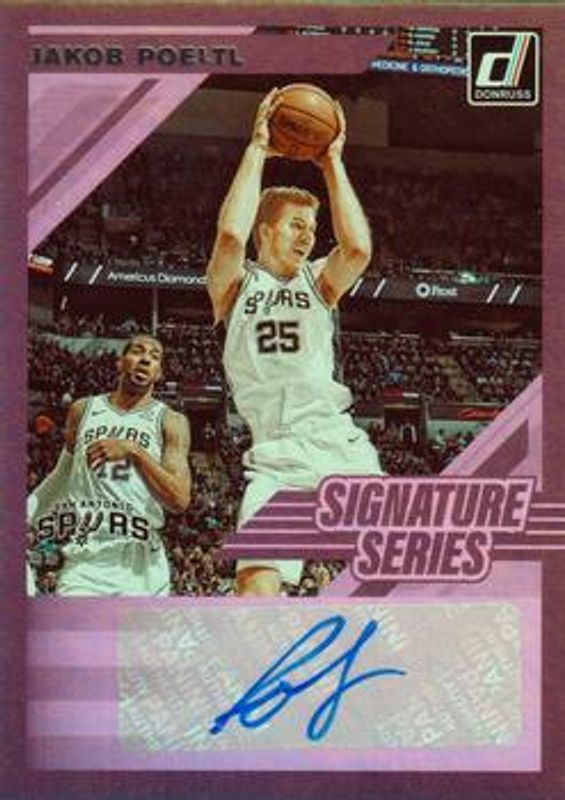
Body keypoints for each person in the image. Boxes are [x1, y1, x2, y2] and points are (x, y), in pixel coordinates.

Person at [207, 88, 382, 597]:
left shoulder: (319, 281)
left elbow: (358, 248)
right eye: (296, 225)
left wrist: (332, 162)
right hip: (275, 455)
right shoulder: (234, 286)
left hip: (335, 441)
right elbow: (230, 238)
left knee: (405, 573)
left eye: (312, 228)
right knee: (255, 590)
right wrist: (258, 148)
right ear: (265, 230)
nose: (307, 236)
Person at [27, 334, 191, 596]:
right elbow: (62, 474)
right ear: (120, 362)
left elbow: (180, 499)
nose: (145, 359)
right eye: (137, 351)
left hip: (141, 561)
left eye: (154, 357)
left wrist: (135, 452)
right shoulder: (82, 410)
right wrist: (26, 514)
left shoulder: (171, 421)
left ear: (159, 373)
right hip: (86, 557)